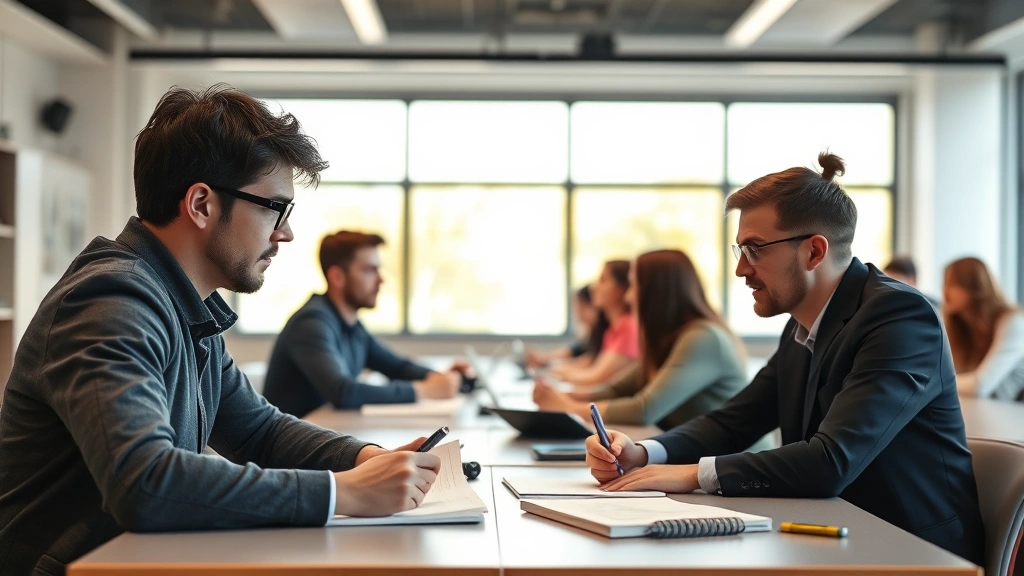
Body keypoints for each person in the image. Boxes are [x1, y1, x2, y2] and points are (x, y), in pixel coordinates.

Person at [0, 86, 442, 575]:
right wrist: (344, 493)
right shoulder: (110, 301)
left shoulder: (189, 306)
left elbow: (258, 432)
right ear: (202, 204)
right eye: (275, 207)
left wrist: (365, 459)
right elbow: (143, 483)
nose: (286, 233)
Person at [585, 152, 984, 565]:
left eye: (755, 250)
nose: (741, 269)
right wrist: (645, 453)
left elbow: (831, 460)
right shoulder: (800, 326)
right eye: (739, 249)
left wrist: (690, 474)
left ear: (814, 252)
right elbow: (733, 422)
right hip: (829, 535)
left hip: (910, 553)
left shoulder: (899, 317)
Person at [533, 250, 753, 432]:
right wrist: (558, 396)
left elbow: (644, 409)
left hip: (732, 471)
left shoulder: (704, 338)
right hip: (698, 460)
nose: (628, 297)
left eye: (633, 286)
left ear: (656, 293)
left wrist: (567, 407)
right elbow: (616, 390)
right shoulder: (669, 338)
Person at [263, 230, 462, 417]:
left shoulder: (352, 326)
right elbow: (343, 392)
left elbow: (398, 367)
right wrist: (424, 391)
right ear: (337, 277)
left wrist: (445, 379)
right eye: (370, 270)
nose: (381, 280)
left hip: (324, 434)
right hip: (290, 449)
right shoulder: (311, 324)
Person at [944, 257, 1024, 400]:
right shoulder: (961, 328)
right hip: (986, 410)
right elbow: (954, 374)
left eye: (953, 284)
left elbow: (979, 386)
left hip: (1014, 414)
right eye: (944, 283)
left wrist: (934, 383)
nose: (945, 291)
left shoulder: (1013, 323)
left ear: (974, 286)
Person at [548, 260, 638, 386]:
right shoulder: (612, 330)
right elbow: (591, 364)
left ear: (621, 289)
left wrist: (553, 373)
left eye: (603, 280)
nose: (593, 287)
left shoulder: (629, 327)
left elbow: (597, 377)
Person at [525, 284, 605, 370]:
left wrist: (556, 367)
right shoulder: (591, 334)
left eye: (579, 306)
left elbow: (588, 362)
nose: (576, 311)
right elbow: (573, 351)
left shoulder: (603, 332)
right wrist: (545, 358)